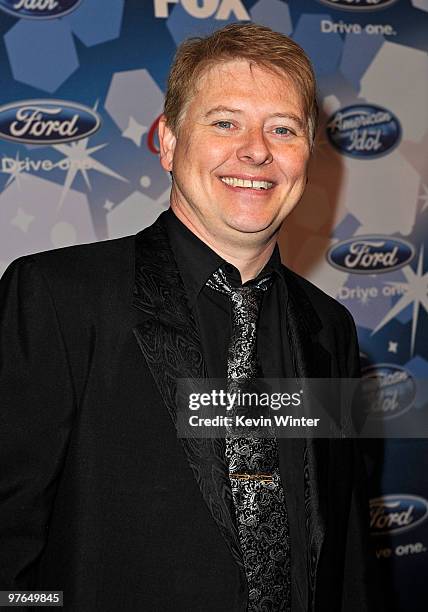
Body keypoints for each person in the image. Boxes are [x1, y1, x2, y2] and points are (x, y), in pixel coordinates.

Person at [0, 23, 374, 612]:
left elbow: (344, 552)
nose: (256, 150)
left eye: (283, 129)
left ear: (307, 155)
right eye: (225, 122)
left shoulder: (330, 329)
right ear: (170, 143)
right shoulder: (57, 297)